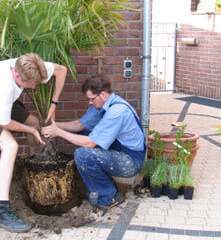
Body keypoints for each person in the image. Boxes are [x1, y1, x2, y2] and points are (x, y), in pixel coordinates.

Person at [0, 53, 67, 232]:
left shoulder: (32, 65)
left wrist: (53, 105)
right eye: (31, 84)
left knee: (33, 121)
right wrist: (31, 131)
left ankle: (37, 166)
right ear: (17, 76)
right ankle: (2, 212)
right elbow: (4, 123)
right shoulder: (4, 88)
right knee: (11, 146)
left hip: (1, 99)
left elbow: (62, 70)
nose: (34, 87)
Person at [41, 75, 146, 208]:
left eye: (91, 99)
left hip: (130, 161)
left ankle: (109, 196)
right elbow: (80, 125)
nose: (89, 103)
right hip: (119, 151)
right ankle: (104, 185)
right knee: (83, 134)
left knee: (83, 155)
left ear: (102, 94)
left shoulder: (117, 111)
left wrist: (58, 133)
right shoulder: (102, 105)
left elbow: (90, 143)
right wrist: (55, 126)